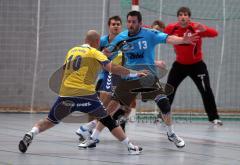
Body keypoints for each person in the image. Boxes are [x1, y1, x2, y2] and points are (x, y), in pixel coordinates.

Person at [78, 10, 199, 149]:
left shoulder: (149, 34)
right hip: (129, 77)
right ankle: (93, 138)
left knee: (165, 104)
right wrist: (99, 54)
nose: (130, 24)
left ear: (140, 23)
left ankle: (171, 134)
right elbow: (108, 52)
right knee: (110, 108)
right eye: (129, 21)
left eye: (133, 22)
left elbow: (169, 38)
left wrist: (183, 40)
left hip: (148, 77)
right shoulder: (121, 37)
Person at [18, 30, 147, 155]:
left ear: (85, 40)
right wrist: (133, 73)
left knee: (50, 120)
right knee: (108, 120)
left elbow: (63, 72)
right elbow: (112, 68)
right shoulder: (94, 52)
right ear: (96, 42)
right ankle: (131, 147)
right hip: (85, 94)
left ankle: (31, 133)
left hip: (65, 93)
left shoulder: (72, 51)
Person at [164, 6, 222, 125]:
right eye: (180, 15)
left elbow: (215, 33)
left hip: (197, 66)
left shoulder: (196, 28)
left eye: (185, 15)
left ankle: (214, 118)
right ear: (177, 17)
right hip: (179, 66)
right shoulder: (172, 28)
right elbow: (159, 35)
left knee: (206, 90)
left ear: (189, 17)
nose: (183, 17)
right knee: (169, 90)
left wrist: (204, 28)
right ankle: (162, 116)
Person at [75, 16, 130, 141]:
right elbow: (93, 56)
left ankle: (89, 129)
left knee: (117, 106)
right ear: (109, 26)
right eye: (113, 24)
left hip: (119, 76)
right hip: (105, 75)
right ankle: (89, 130)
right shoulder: (102, 41)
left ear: (121, 27)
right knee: (104, 106)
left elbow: (131, 58)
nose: (116, 26)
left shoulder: (125, 42)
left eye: (118, 24)